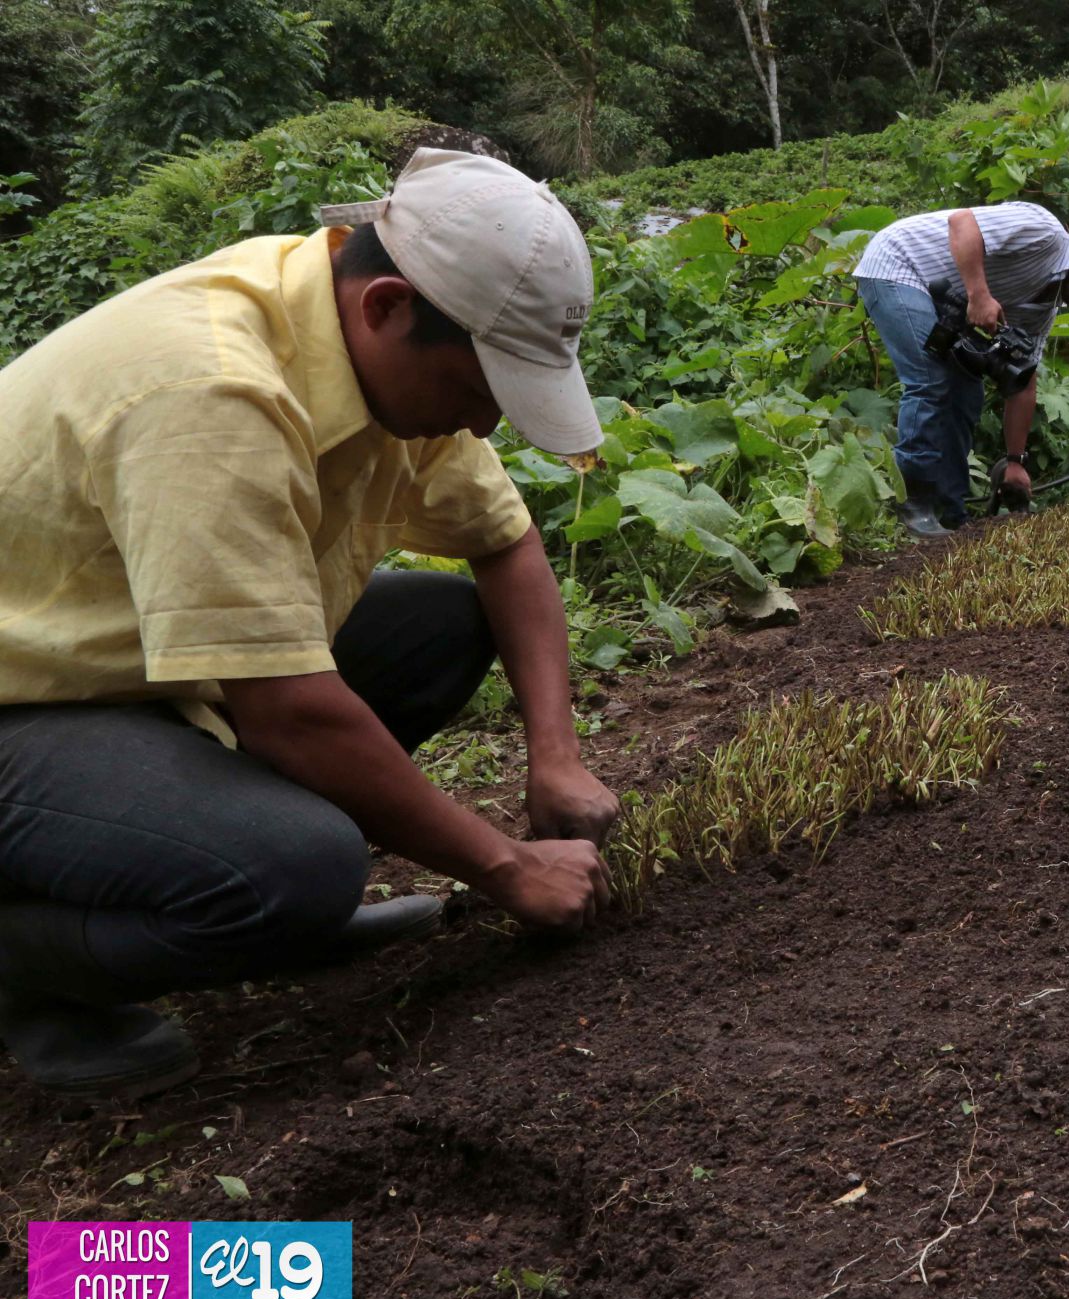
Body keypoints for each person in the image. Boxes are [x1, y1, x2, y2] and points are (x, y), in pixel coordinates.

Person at [0, 149, 621, 1100]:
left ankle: (227, 869)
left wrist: (557, 754)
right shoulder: (210, 393)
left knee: (442, 627)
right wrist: (508, 869)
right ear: (387, 307)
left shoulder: (353, 332)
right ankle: (33, 974)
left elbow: (506, 546)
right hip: (28, 700)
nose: (485, 427)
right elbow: (287, 709)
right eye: (475, 391)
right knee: (296, 868)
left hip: (138, 670)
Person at [853, 204, 1069, 538]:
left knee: (966, 391)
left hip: (940, 298)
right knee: (931, 379)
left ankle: (950, 511)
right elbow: (962, 223)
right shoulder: (1045, 230)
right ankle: (914, 505)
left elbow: (1023, 380)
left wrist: (1015, 461)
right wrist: (980, 295)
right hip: (898, 264)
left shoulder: (1044, 307)